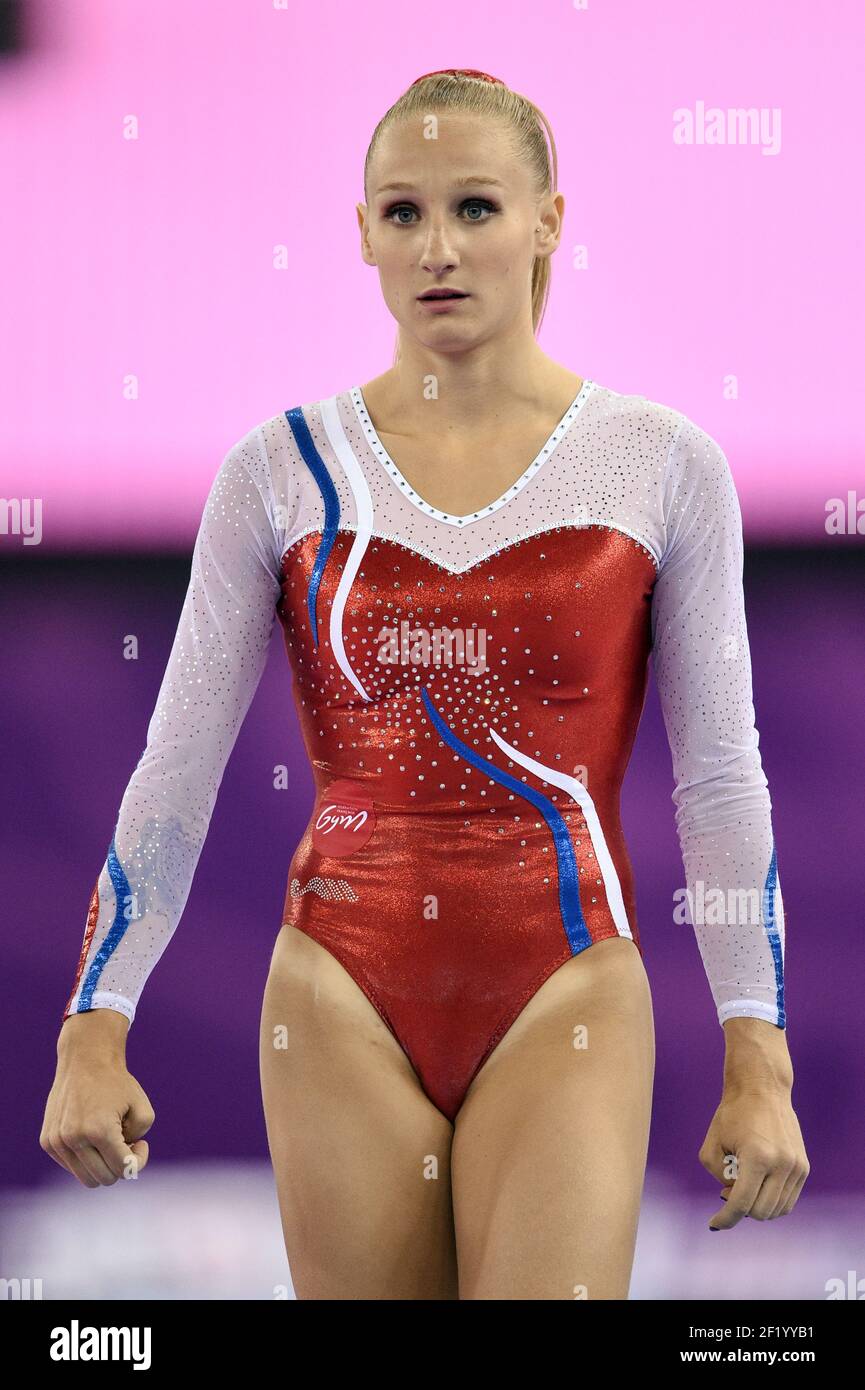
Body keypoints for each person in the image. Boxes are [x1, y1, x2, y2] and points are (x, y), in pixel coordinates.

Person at [41, 69, 808, 1300]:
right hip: (338, 985)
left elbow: (721, 775)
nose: (438, 248)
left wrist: (756, 1051)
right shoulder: (279, 471)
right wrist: (95, 1021)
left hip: (565, 979)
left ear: (550, 219)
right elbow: (173, 772)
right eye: (402, 213)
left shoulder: (662, 465)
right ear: (360, 233)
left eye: (476, 209)